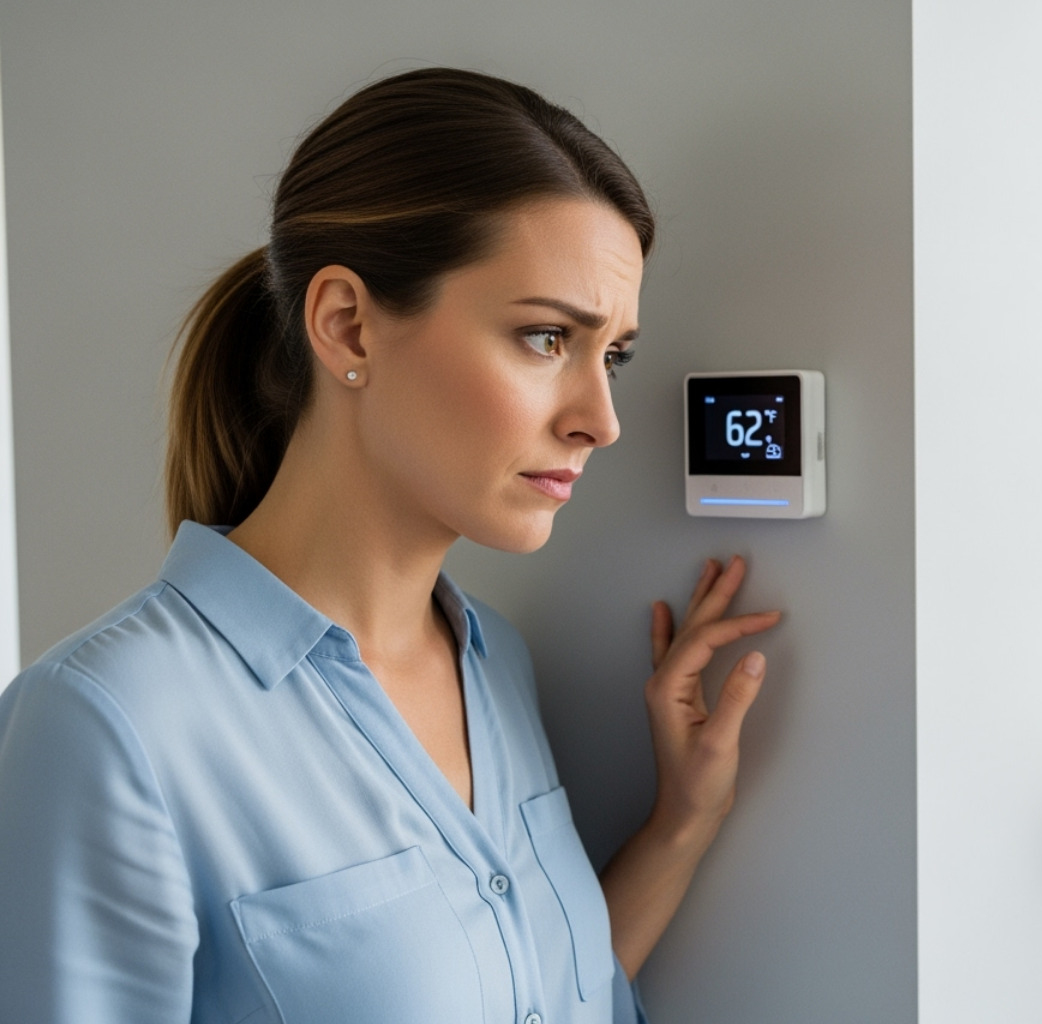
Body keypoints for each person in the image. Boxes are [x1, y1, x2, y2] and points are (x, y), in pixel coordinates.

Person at [0, 67, 780, 1024]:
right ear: (347, 325)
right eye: (545, 338)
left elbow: (527, 995)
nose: (600, 419)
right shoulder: (106, 726)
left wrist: (683, 823)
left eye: (611, 354)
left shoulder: (495, 663)